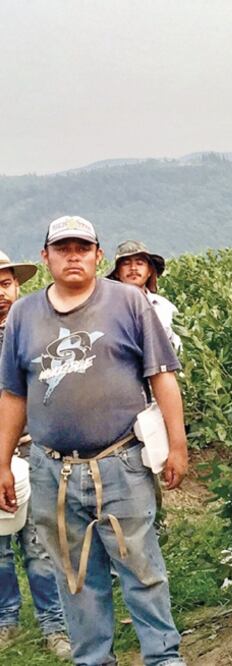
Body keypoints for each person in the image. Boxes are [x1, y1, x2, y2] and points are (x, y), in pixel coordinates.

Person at [0, 216, 188, 666]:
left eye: (82, 248)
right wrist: (2, 462)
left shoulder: (128, 302)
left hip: (122, 461)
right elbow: (13, 395)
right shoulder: (24, 315)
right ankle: (93, 659)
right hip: (52, 469)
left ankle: (163, 657)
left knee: (143, 569)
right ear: (46, 256)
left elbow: (162, 376)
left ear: (98, 255)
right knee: (76, 575)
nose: (73, 256)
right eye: (63, 248)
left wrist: (177, 445)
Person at [0, 250, 71, 659]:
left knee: (41, 541)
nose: (1, 294)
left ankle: (54, 625)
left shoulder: (35, 330)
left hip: (34, 449)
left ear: (17, 287)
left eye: (5, 284)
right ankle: (6, 620)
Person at [108, 240, 182, 351]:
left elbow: (178, 349)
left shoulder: (166, 308)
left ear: (149, 271)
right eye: (126, 264)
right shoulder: (106, 307)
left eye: (140, 263)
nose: (133, 268)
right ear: (117, 272)